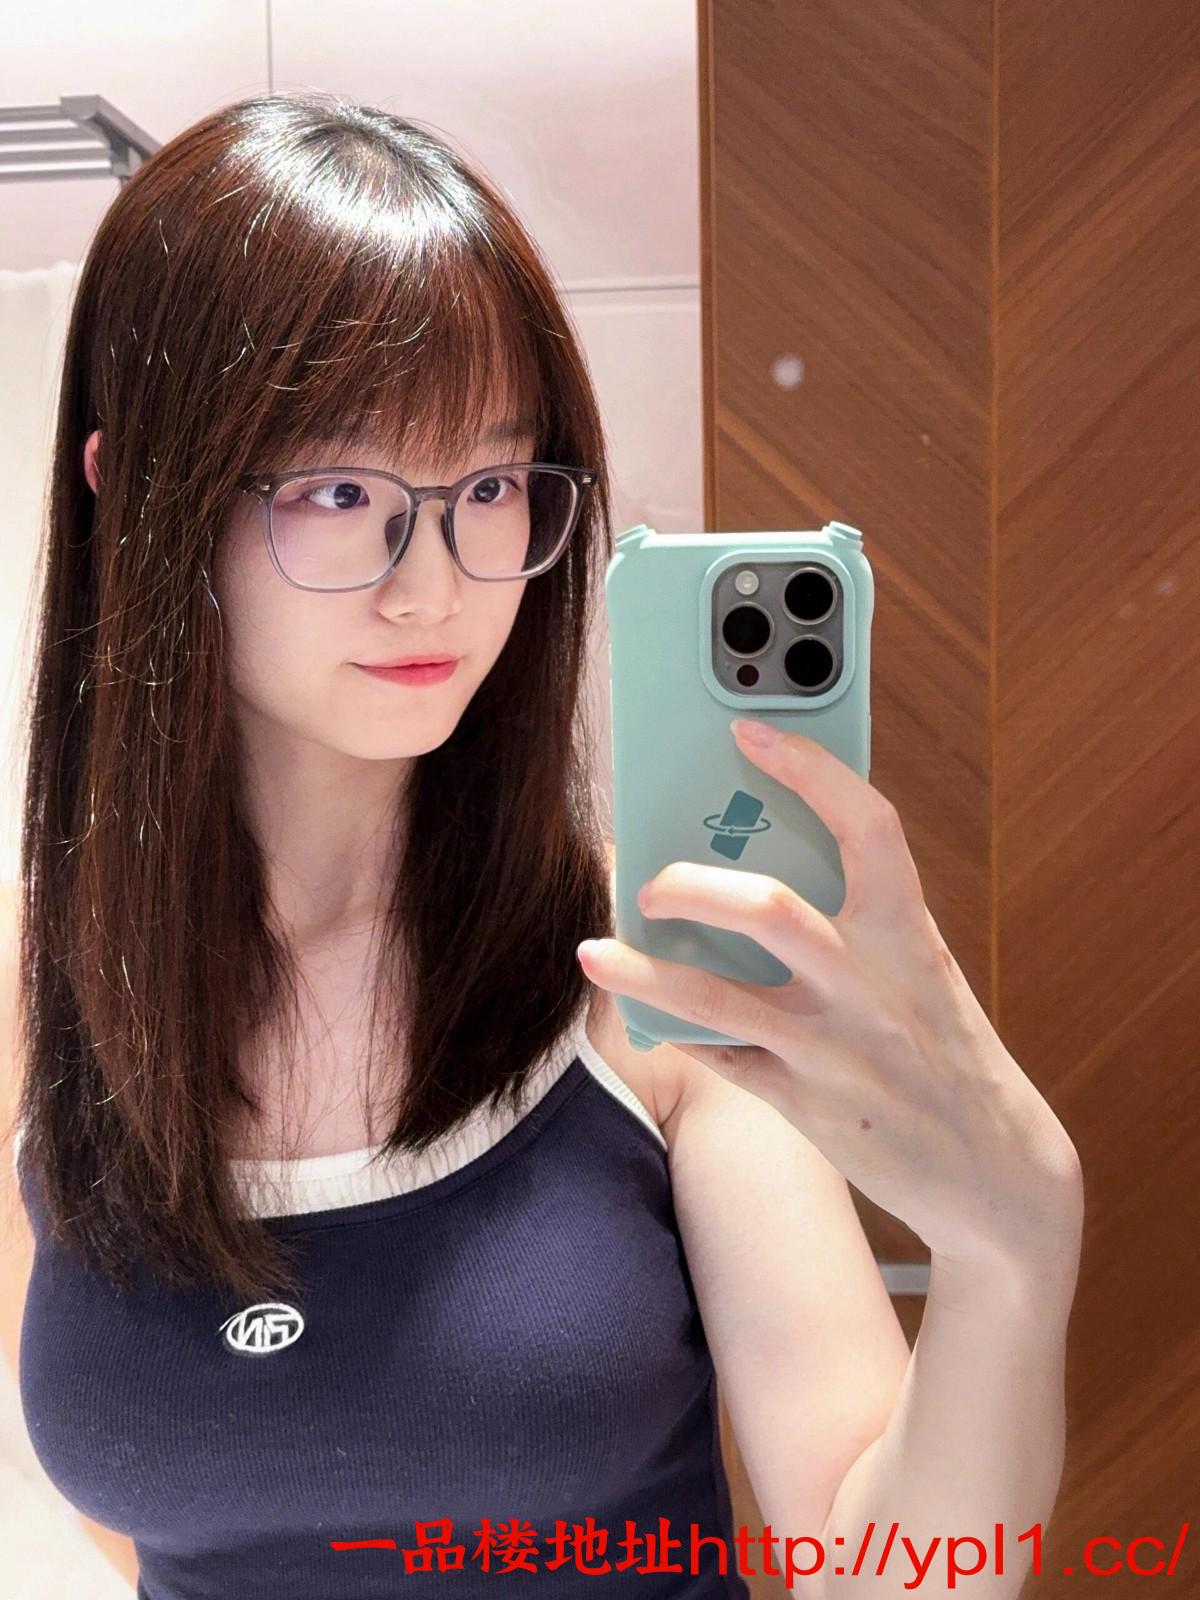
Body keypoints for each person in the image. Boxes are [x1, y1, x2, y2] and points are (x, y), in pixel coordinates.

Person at [0, 91, 1083, 1600]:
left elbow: (890, 1573)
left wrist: (1012, 1252)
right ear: (132, 493)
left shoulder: (657, 982)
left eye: (491, 488)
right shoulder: (42, 993)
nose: (437, 586)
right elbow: (143, 1524)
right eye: (340, 492)